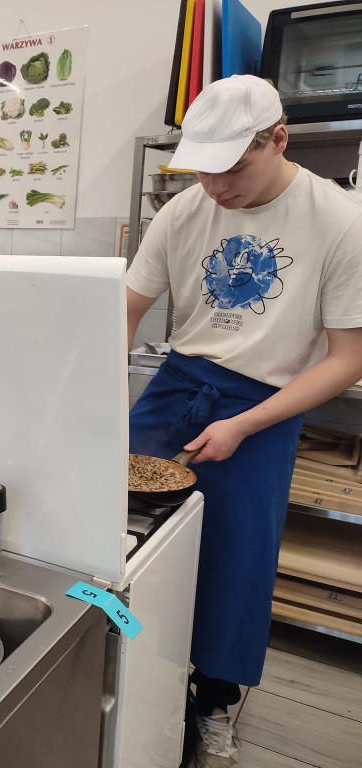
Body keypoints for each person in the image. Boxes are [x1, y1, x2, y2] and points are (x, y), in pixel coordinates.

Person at [126, 75, 362, 768]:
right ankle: (138, 671)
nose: (216, 188)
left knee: (235, 561)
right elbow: (129, 306)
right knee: (130, 534)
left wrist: (245, 425)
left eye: (232, 169)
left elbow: (347, 358)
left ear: (278, 139)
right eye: (202, 170)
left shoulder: (339, 219)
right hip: (180, 385)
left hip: (264, 403)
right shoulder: (185, 210)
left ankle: (216, 701)